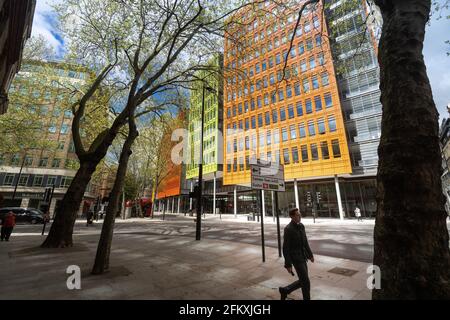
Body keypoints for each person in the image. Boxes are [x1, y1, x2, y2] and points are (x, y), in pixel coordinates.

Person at [279, 208, 314, 300]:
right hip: (295, 258)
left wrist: (310, 255)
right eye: (298, 215)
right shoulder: (288, 229)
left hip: (303, 256)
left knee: (303, 280)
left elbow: (305, 241)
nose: (300, 216)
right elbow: (285, 248)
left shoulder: (301, 226)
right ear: (292, 216)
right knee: (306, 282)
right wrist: (288, 264)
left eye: (300, 214)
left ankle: (285, 290)